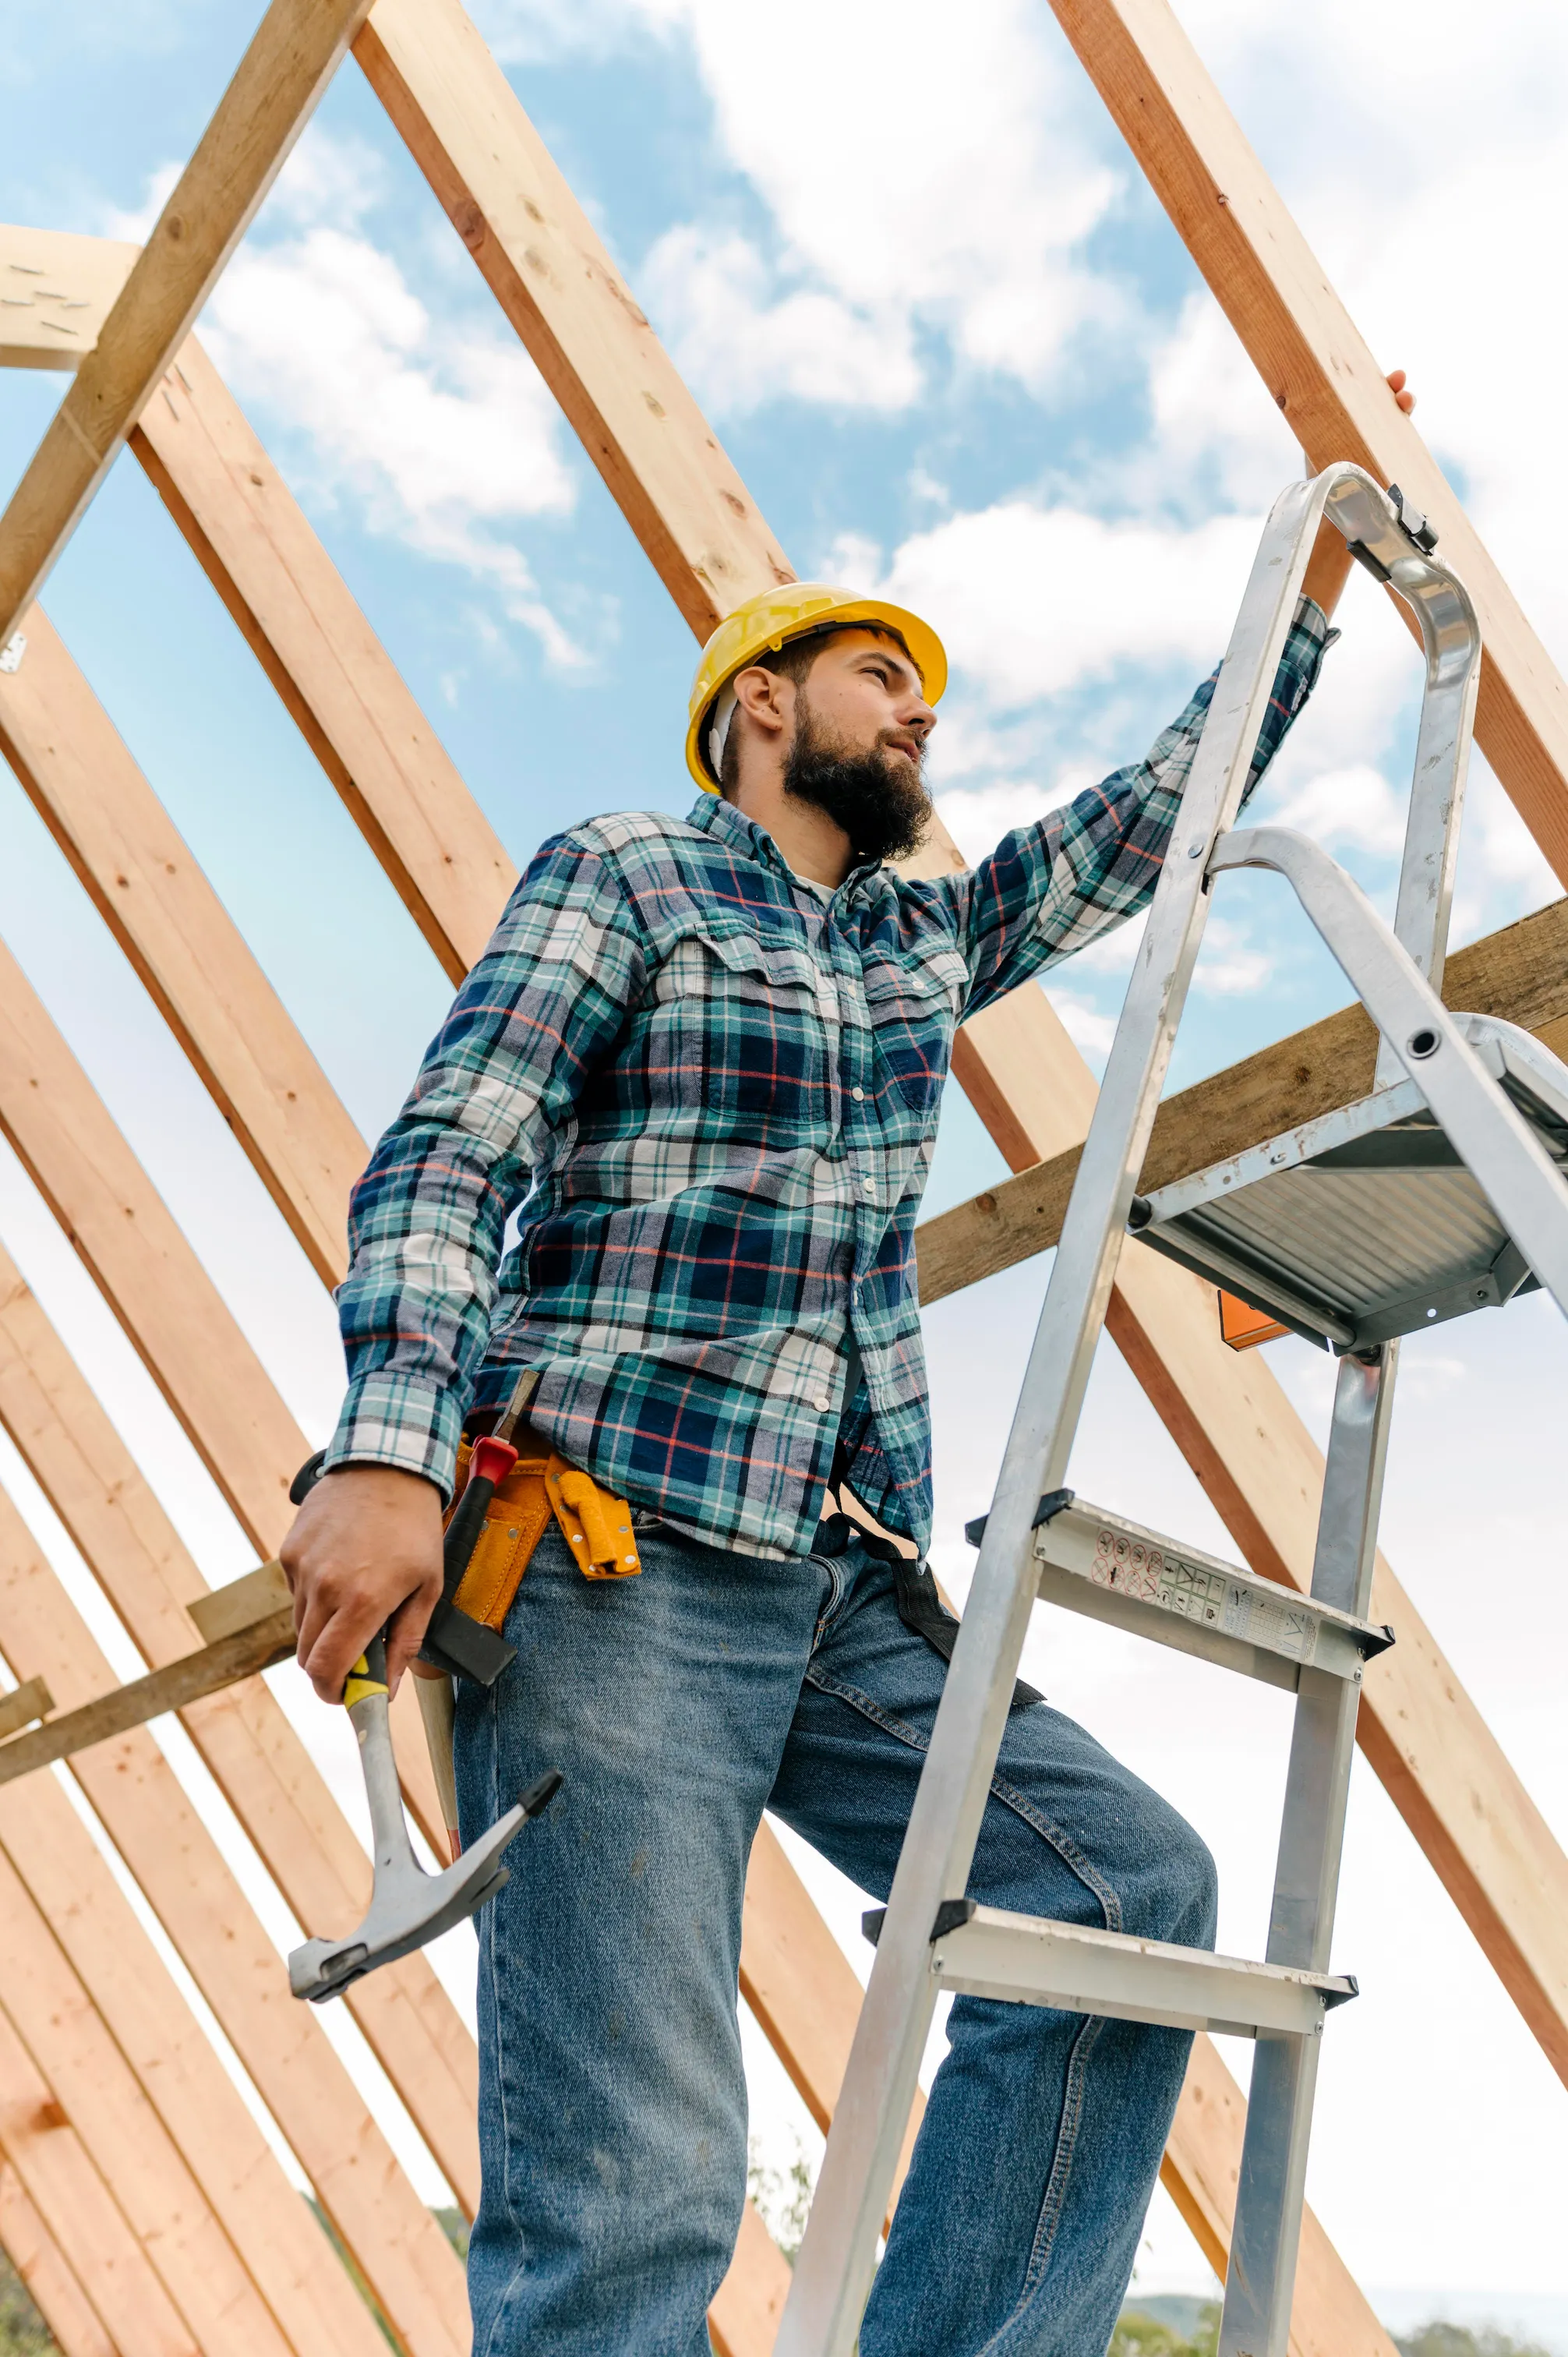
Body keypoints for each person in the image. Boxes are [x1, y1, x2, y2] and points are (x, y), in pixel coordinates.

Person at [283, 394, 1411, 2357]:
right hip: (610, 1561)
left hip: (841, 1586)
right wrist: (387, 1451)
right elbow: (456, 1147)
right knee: (632, 2192)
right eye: (878, 678)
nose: (918, 716)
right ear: (754, 706)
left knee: (1125, 1899)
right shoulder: (628, 870)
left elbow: (1140, 824)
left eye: (925, 697)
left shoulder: (917, 943)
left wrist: (1297, 608)